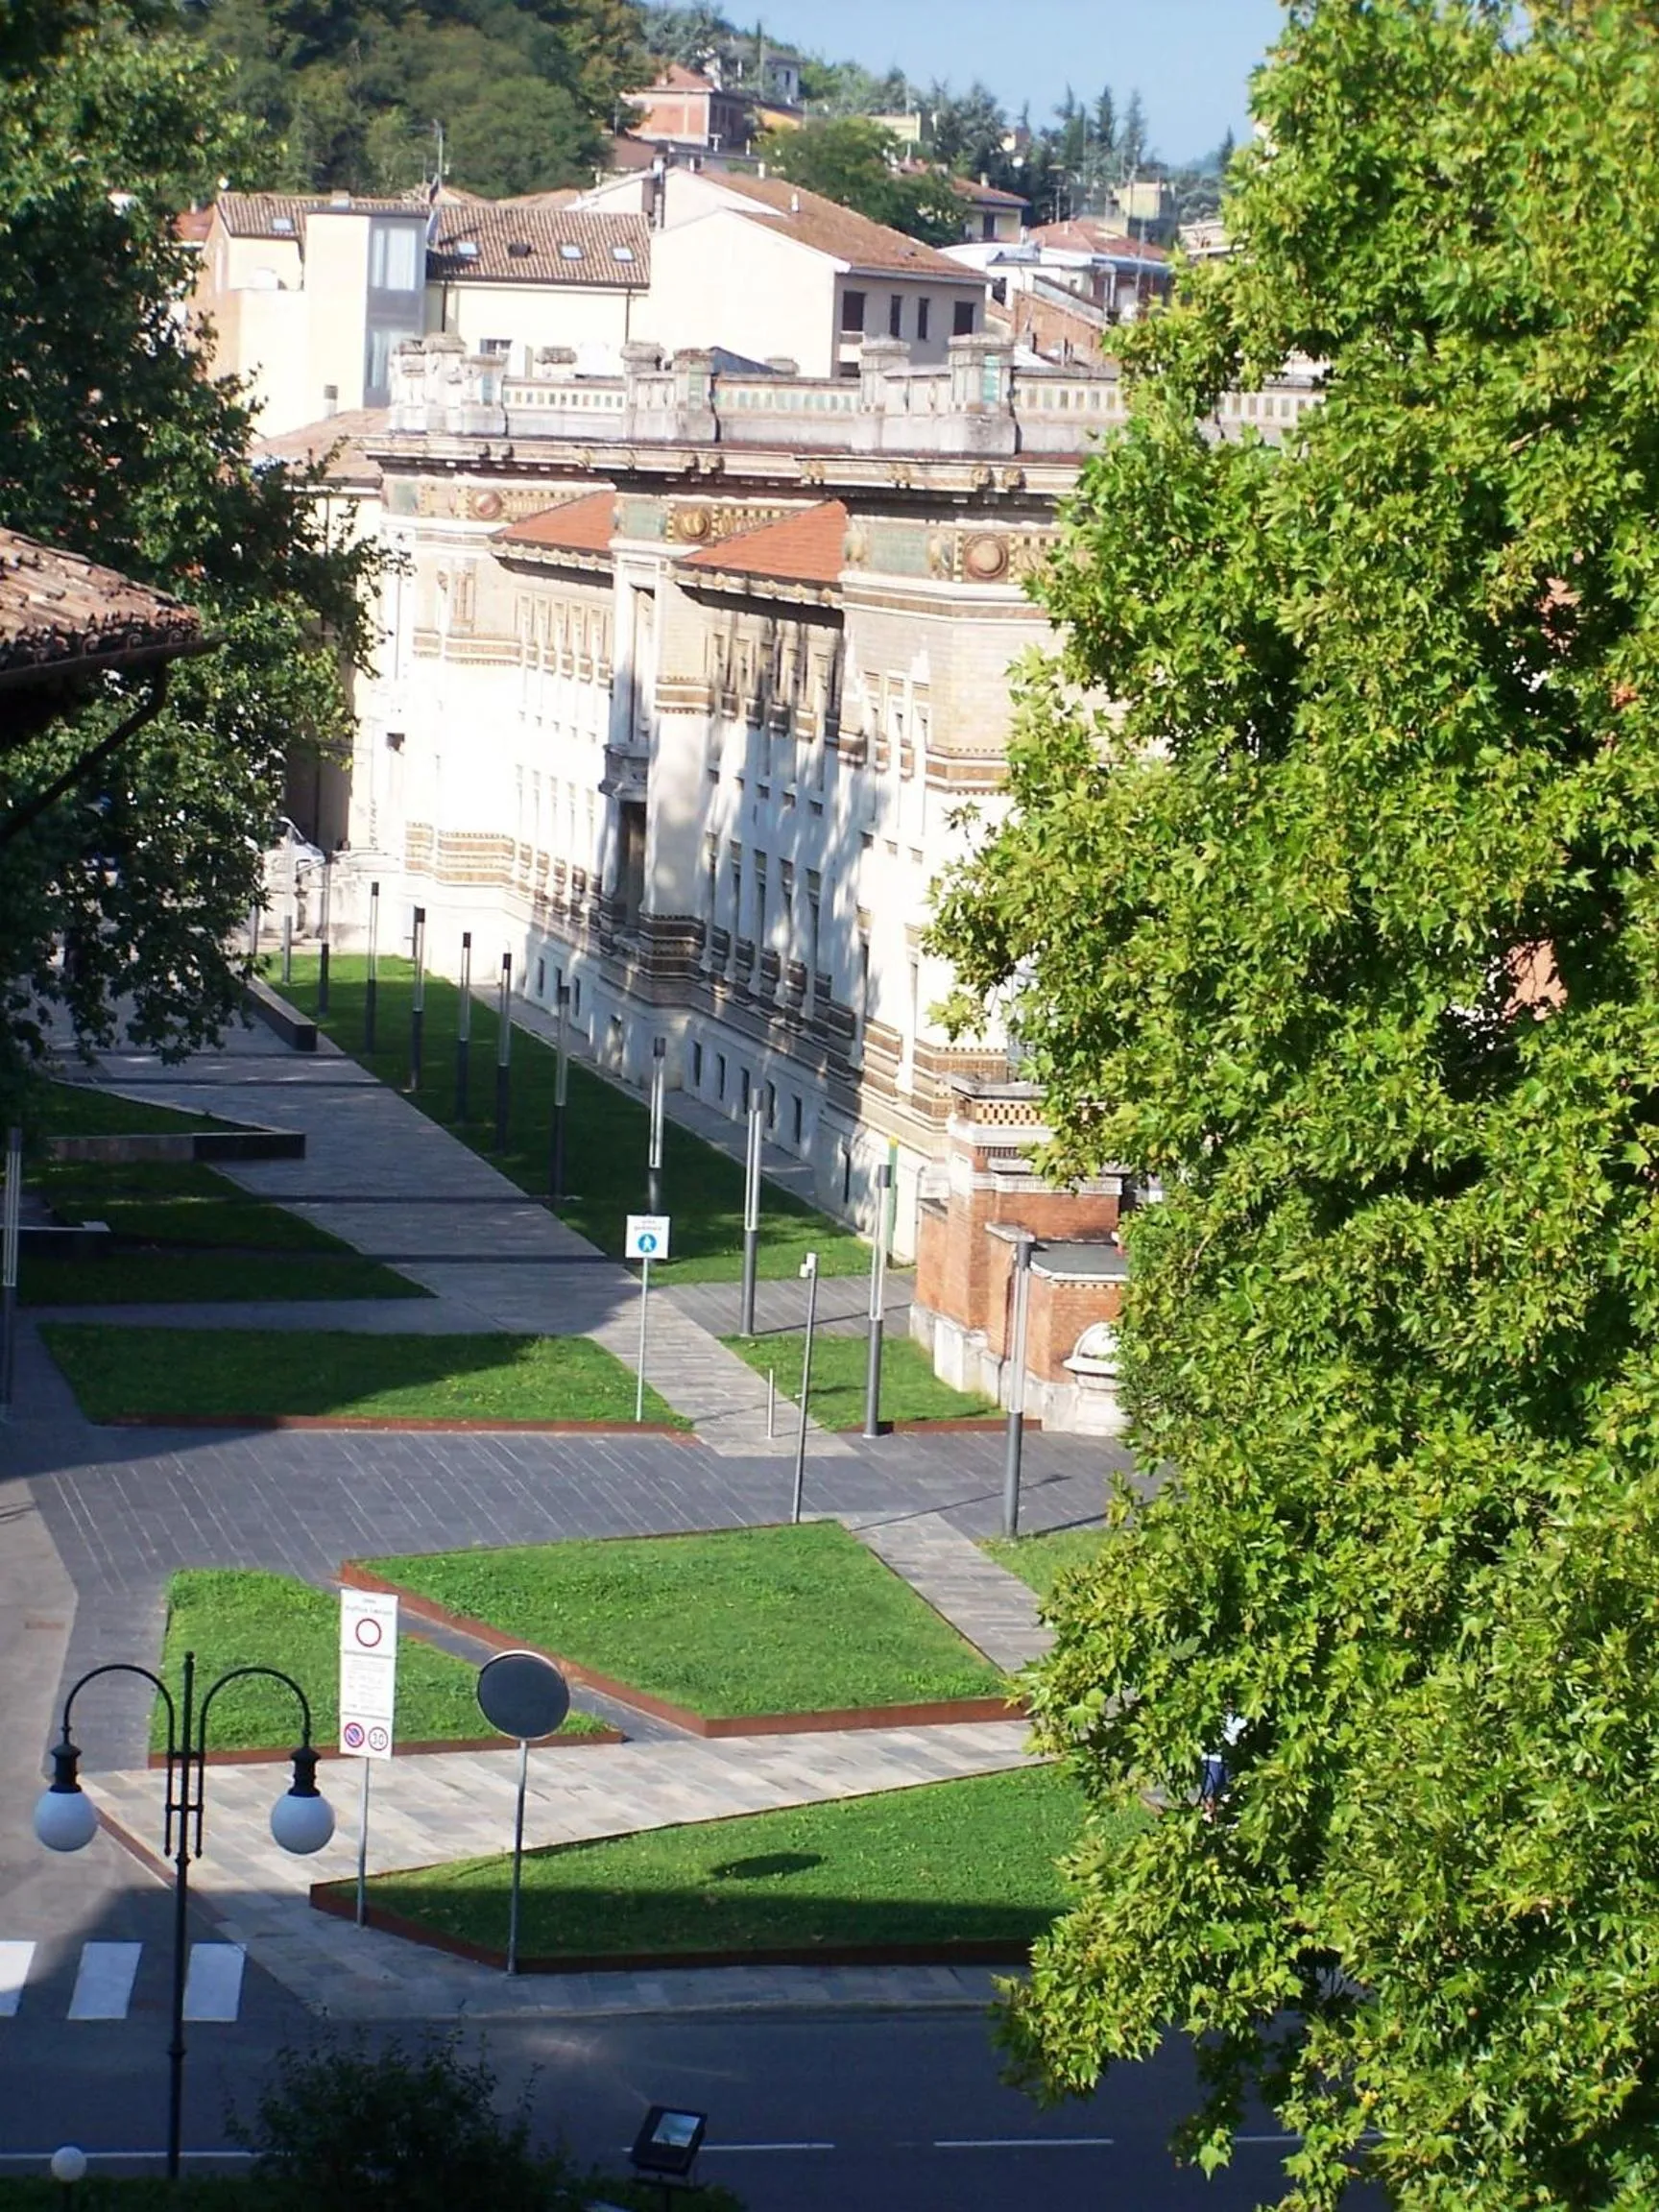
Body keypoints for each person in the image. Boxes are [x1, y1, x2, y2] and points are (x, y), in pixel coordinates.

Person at [1199, 1710, 1245, 1819]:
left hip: (1210, 1754)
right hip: (1222, 1756)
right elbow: (1229, 1774)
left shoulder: (1201, 1790)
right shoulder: (1221, 1790)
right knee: (1239, 1725)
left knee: (1227, 1726)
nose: (1209, 1807)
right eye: (1211, 1810)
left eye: (1206, 1808)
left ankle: (1226, 1711)